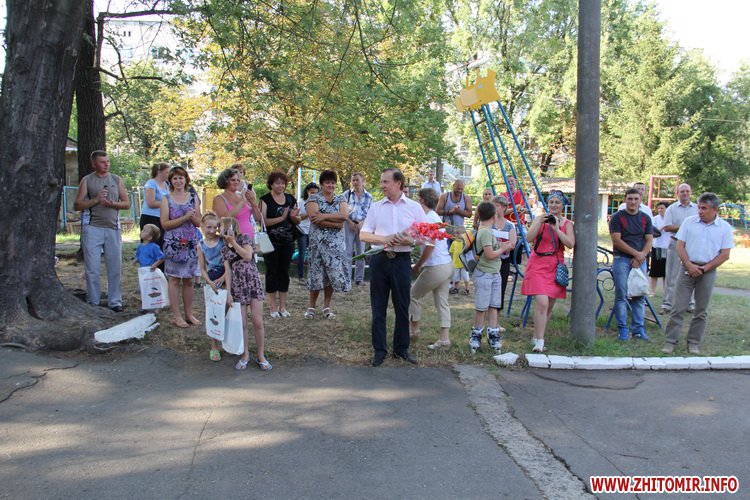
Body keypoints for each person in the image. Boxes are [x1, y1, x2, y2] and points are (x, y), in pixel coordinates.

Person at [360, 168, 428, 366]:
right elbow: (363, 234)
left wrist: (411, 241)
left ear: (398, 183)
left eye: (386, 182)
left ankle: (401, 349)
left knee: (402, 305)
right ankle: (379, 350)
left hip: (401, 260)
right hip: (380, 259)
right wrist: (385, 239)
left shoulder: (414, 207)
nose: (382, 185)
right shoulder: (376, 207)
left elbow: (425, 235)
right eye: (381, 181)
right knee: (378, 307)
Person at [662, 193, 734, 355]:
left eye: (704, 208)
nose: (700, 211)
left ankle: (693, 342)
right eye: (699, 207)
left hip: (708, 271)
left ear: (715, 209)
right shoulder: (689, 222)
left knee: (701, 310)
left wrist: (705, 268)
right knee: (678, 307)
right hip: (686, 268)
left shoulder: (724, 228)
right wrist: (689, 265)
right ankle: (670, 341)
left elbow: (725, 254)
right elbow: (680, 246)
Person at [73, 150, 130, 312]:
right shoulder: (87, 180)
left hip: (113, 228)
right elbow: (77, 205)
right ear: (94, 164)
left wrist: (112, 204)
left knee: (115, 267)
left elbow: (126, 204)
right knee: (92, 268)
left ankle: (115, 302)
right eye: (102, 162)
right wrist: (96, 199)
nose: (106, 164)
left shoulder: (117, 180)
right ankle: (93, 301)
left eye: (108, 161)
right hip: (92, 228)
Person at [521, 191, 574, 352]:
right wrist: (539, 221)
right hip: (538, 263)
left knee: (549, 305)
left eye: (557, 202)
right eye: (551, 202)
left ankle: (537, 335)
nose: (554, 205)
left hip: (555, 265)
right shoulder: (540, 219)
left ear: (563, 205)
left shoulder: (567, 224)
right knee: (542, 302)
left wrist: (556, 229)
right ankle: (540, 342)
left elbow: (570, 244)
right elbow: (528, 238)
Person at [220, 217, 271, 371]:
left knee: (257, 321)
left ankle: (261, 355)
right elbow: (228, 271)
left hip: (252, 282)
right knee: (242, 323)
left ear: (231, 227)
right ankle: (245, 354)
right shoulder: (224, 250)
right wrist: (229, 293)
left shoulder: (244, 238)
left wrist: (234, 242)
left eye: (222, 227)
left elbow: (248, 256)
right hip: (238, 286)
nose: (220, 230)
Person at [409, 188, 454, 349]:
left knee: (412, 295)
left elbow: (430, 245)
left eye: (417, 198)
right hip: (446, 264)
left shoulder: (428, 218)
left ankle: (413, 330)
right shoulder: (434, 216)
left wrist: (418, 265)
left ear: (422, 200)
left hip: (436, 266)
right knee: (442, 302)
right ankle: (444, 339)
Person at [304, 170, 351, 319]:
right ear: (322, 184)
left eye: (332, 182)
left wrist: (323, 216)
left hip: (335, 246)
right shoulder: (313, 198)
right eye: (327, 182)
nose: (330, 185)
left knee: (331, 276)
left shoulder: (340, 198)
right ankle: (311, 306)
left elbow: (344, 216)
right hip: (317, 245)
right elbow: (313, 218)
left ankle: (327, 306)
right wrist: (336, 224)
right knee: (316, 274)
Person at [609, 187, 653, 342]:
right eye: (630, 199)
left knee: (639, 295)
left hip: (640, 260)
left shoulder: (645, 218)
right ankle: (622, 329)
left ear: (640, 200)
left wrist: (641, 256)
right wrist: (636, 254)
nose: (633, 202)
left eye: (636, 199)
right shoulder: (617, 217)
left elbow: (649, 240)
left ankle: (638, 329)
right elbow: (617, 241)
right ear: (625, 200)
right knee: (621, 295)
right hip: (622, 259)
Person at [160, 166, 202, 328]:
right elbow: (165, 224)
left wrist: (193, 217)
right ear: (170, 181)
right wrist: (185, 217)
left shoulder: (193, 197)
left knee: (189, 280)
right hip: (174, 245)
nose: (178, 181)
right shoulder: (166, 199)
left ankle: (189, 314)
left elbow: (199, 223)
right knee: (174, 279)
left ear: (186, 179)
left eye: (181, 177)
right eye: (175, 178)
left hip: (191, 243)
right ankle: (176, 316)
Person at [259, 171, 301, 318]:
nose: (280, 186)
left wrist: (293, 217)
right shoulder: (265, 200)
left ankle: (283, 307)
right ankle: (273, 307)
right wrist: (281, 218)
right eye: (277, 183)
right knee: (272, 272)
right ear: (271, 184)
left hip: (288, 241)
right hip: (270, 242)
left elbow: (297, 220)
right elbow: (262, 221)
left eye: (283, 183)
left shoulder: (290, 199)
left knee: (284, 272)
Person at [468, 202, 507, 354]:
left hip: (494, 273)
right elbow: (490, 255)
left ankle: (493, 332)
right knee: (482, 306)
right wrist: (503, 248)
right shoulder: (485, 232)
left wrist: (500, 246)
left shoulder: (487, 231)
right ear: (494, 216)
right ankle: (476, 333)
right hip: (485, 273)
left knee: (494, 305)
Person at [661, 183, 698, 314]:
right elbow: (667, 227)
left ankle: (690, 304)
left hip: (692, 244)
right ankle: (668, 304)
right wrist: (686, 226)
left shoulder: (697, 208)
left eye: (687, 191)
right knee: (672, 274)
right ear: (678, 193)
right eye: (682, 191)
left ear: (691, 192)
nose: (685, 193)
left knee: (691, 273)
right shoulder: (671, 209)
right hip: (675, 243)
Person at [197, 212, 226, 362]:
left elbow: (229, 262)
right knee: (214, 312)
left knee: (226, 310)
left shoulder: (222, 241)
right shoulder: (200, 245)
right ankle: (214, 346)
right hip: (212, 279)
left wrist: (223, 278)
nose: (211, 230)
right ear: (202, 226)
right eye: (208, 227)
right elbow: (202, 268)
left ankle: (227, 341)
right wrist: (209, 281)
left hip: (225, 277)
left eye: (215, 227)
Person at [342, 172, 373, 285]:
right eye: (353, 180)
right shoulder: (347, 194)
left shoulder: (369, 197)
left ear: (363, 181)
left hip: (362, 225)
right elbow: (342, 211)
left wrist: (361, 223)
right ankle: (347, 278)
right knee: (348, 252)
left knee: (361, 252)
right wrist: (349, 222)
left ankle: (359, 279)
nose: (355, 182)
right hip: (348, 224)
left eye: (357, 180)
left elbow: (371, 214)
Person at [212, 168, 260, 240]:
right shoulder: (219, 199)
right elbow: (225, 218)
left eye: (238, 180)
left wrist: (253, 202)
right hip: (233, 240)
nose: (236, 182)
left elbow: (258, 218)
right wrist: (242, 201)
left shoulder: (242, 195)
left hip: (250, 239)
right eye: (233, 180)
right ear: (225, 181)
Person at [492, 195, 518, 313]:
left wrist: (497, 245)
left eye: (497, 206)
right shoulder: (488, 223)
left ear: (503, 207)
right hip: (489, 261)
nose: (494, 208)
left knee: (500, 290)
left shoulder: (510, 225)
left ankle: (497, 316)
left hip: (503, 262)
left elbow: (512, 244)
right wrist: (502, 245)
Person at [139, 162, 170, 249]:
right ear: (159, 172)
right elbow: (151, 203)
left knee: (161, 243)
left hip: (162, 217)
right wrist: (166, 204)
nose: (168, 174)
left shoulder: (167, 185)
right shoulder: (151, 183)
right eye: (166, 172)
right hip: (150, 217)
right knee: (151, 243)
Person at [296, 182, 319, 285]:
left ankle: (312, 276)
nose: (314, 195)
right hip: (302, 230)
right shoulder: (300, 202)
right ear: (307, 192)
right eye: (312, 192)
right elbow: (298, 218)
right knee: (302, 253)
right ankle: (301, 277)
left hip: (313, 231)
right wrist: (309, 213)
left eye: (316, 193)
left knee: (313, 254)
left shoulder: (319, 202)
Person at [649, 201, 670, 296]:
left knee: (666, 271)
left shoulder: (671, 219)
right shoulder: (655, 219)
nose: (660, 210)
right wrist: (663, 226)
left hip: (668, 247)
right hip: (657, 247)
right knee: (654, 271)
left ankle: (665, 291)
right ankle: (652, 291)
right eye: (658, 208)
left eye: (662, 208)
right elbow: (655, 232)